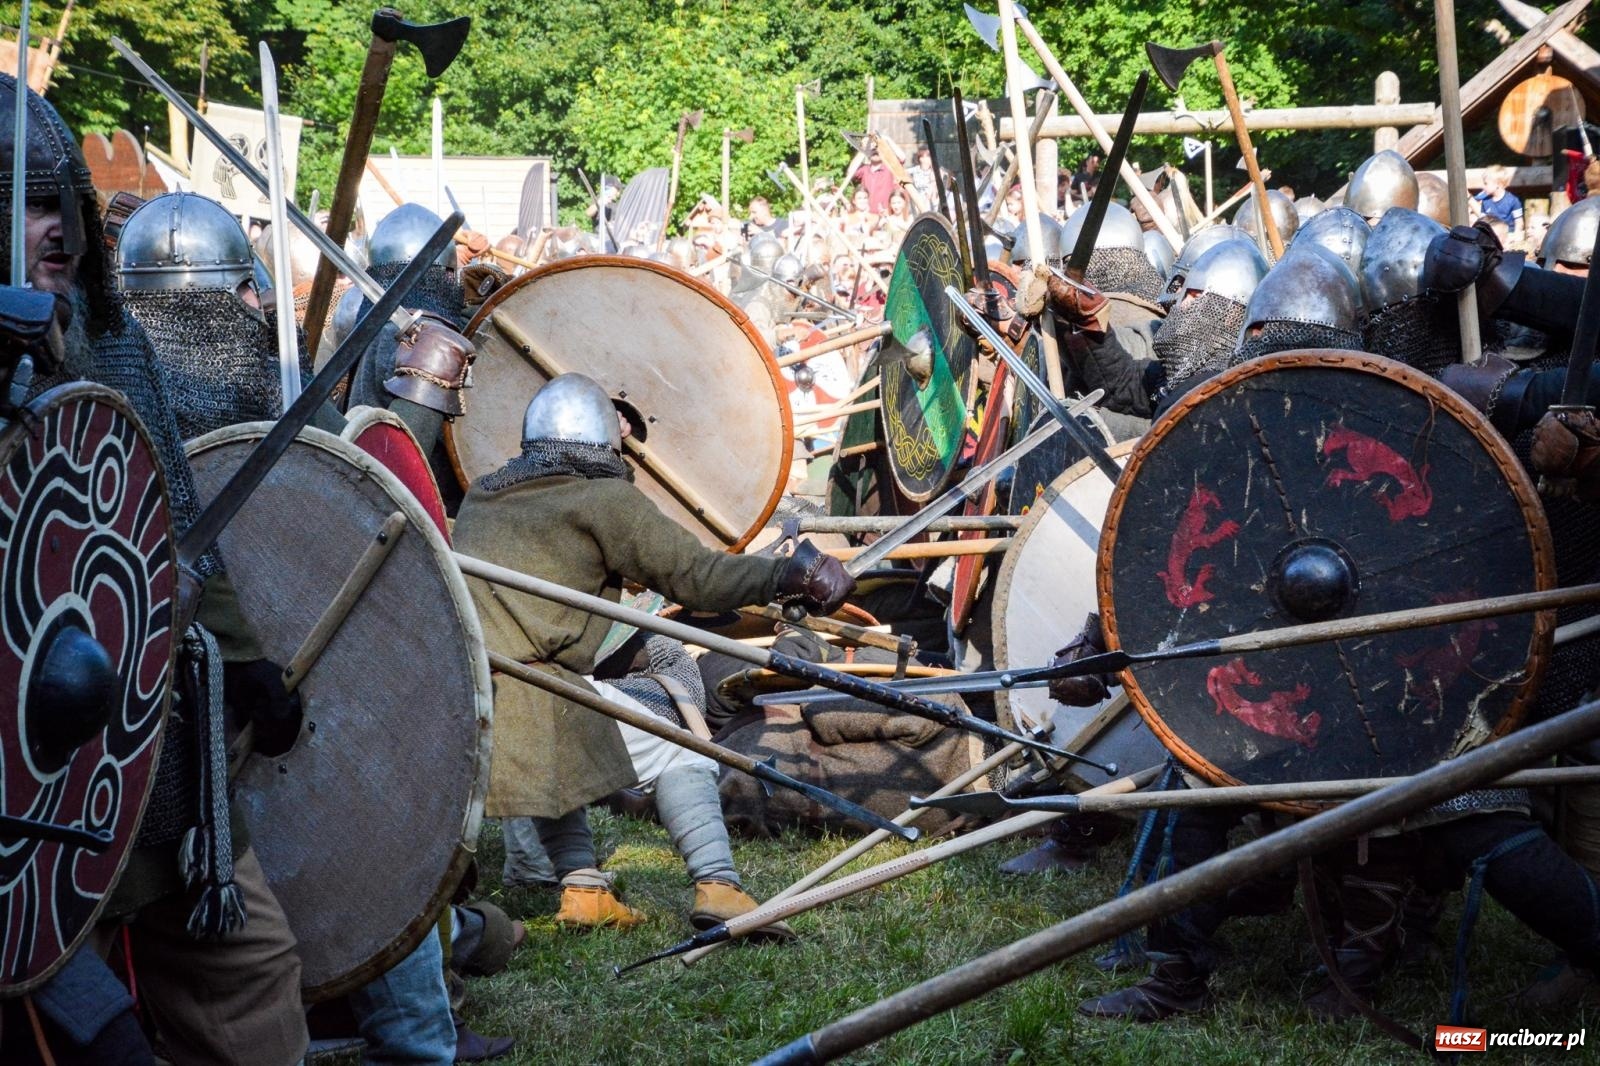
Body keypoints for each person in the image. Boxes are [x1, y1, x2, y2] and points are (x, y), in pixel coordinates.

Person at [0, 71, 309, 1066]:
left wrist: (246, 655)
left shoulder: (113, 346)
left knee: (252, 975)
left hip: (143, 744)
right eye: (22, 205)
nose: (54, 230)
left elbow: (176, 525)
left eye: (64, 204)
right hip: (19, 795)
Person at [452, 373, 854, 928]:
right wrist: (786, 574)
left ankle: (585, 893)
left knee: (566, 723)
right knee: (680, 749)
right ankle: (720, 888)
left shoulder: (483, 496)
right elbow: (697, 577)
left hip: (466, 695)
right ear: (600, 438)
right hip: (536, 704)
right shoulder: (602, 500)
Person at [1473, 164, 1524, 235]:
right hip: (1491, 235)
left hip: (1508, 234)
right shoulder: (1485, 200)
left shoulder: (1513, 201)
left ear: (1498, 184)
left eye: (1486, 184)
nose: (1483, 187)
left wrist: (1516, 235)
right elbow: (1483, 220)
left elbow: (1519, 221)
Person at [851, 143, 897, 214]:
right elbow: (850, 172)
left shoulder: (890, 168)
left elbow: (902, 158)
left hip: (885, 215)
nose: (875, 152)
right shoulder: (864, 169)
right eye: (873, 150)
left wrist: (886, 142)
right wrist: (864, 149)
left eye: (878, 150)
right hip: (867, 215)